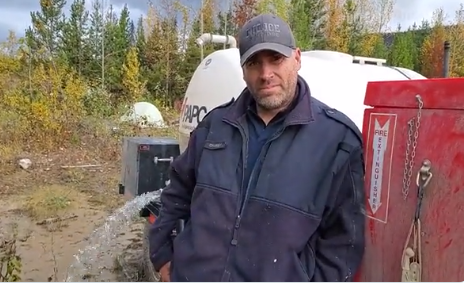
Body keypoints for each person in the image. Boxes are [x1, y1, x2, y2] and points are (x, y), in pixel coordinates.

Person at [149, 13, 366, 282]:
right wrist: (162, 257)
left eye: (276, 59)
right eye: (254, 63)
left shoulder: (337, 141)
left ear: (297, 58)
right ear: (243, 70)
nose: (265, 74)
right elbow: (176, 193)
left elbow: (344, 241)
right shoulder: (214, 126)